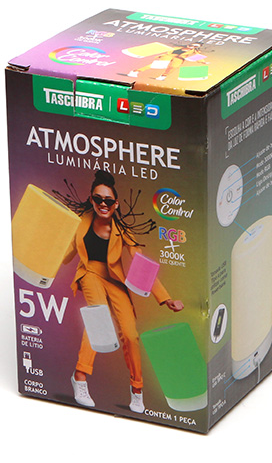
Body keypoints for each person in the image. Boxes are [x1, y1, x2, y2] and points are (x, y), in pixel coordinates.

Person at [56, 170, 184, 413]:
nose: (102, 204)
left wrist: (165, 297)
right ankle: (80, 375)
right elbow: (67, 252)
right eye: (98, 199)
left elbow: (141, 265)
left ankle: (137, 389)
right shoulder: (82, 221)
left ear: (116, 204)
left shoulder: (122, 230)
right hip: (90, 273)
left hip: (114, 280)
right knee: (99, 318)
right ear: (91, 199)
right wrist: (43, 259)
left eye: (108, 200)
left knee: (130, 334)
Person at [126, 43, 208, 81]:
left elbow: (198, 57)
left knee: (172, 67)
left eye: (195, 46)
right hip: (168, 56)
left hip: (179, 59)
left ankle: (163, 76)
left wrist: (203, 62)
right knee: (156, 65)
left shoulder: (195, 51)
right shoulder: (178, 47)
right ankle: (135, 71)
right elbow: (167, 50)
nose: (192, 46)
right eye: (192, 44)